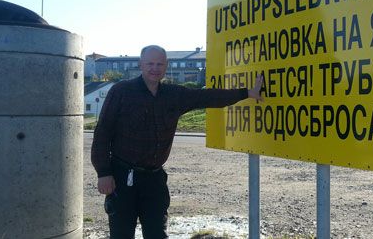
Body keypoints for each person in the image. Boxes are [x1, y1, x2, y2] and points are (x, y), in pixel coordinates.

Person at [90, 45, 264, 239]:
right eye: (150, 64)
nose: (155, 68)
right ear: (140, 64)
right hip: (123, 178)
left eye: (159, 64)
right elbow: (102, 133)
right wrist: (103, 172)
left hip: (154, 180)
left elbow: (209, 97)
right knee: (121, 235)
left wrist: (247, 93)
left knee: (157, 234)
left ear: (166, 66)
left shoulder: (174, 95)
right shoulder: (121, 91)